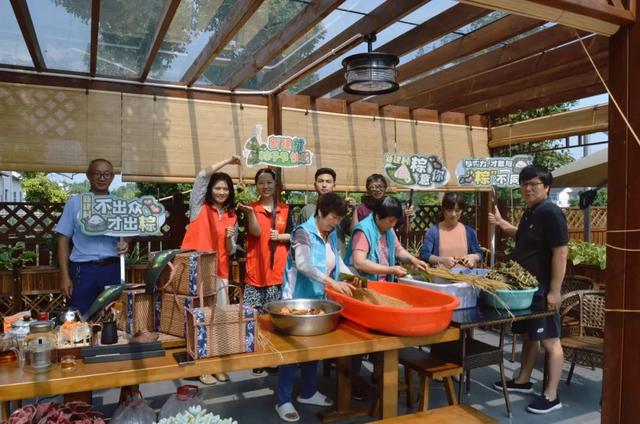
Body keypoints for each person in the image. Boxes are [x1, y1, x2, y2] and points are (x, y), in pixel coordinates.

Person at [490, 165, 568, 414]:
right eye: (524, 184)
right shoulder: (531, 212)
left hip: (543, 289)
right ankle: (523, 380)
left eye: (533, 184)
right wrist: (503, 224)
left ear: (546, 187)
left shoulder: (551, 212)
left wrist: (554, 291)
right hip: (526, 289)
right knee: (529, 336)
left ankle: (552, 395)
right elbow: (523, 237)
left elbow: (560, 252)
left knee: (550, 341)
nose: (527, 188)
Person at [275, 193, 355, 422]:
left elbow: (337, 263)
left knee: (314, 350)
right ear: (319, 212)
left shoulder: (328, 235)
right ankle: (283, 400)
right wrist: (332, 283)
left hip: (318, 301)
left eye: (339, 219)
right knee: (292, 352)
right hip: (296, 302)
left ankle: (308, 392)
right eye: (333, 217)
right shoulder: (302, 232)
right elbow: (304, 265)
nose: (336, 222)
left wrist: (357, 280)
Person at [181, 155, 241, 384]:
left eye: (226, 189)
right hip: (197, 272)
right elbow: (201, 175)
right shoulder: (198, 207)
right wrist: (228, 160)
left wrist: (228, 239)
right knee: (199, 318)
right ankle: (201, 366)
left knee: (219, 318)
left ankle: (216, 364)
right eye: (217, 187)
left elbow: (232, 249)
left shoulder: (232, 217)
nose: (221, 192)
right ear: (210, 190)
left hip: (221, 272)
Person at [237, 168, 293, 376]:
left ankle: (275, 356)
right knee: (255, 316)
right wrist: (251, 214)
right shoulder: (250, 208)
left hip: (278, 271)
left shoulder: (286, 210)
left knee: (275, 316)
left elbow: (295, 236)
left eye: (269, 182)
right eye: (261, 183)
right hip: (255, 271)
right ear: (256, 185)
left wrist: (282, 236)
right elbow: (255, 232)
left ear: (275, 184)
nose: (266, 186)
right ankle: (258, 355)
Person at [56, 158, 129, 315]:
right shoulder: (75, 203)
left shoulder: (120, 204)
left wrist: (127, 243)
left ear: (112, 177)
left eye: (106, 174)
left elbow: (127, 235)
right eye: (97, 174)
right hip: (83, 270)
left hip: (112, 268)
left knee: (114, 316)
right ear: (88, 175)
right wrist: (64, 276)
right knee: (81, 316)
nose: (102, 178)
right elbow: (63, 239)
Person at [345, 196, 428, 281]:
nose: (393, 224)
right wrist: (390, 270)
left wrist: (413, 260)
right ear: (377, 216)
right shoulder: (363, 230)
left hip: (381, 282)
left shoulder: (388, 229)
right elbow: (359, 263)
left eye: (396, 221)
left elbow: (398, 250)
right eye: (391, 220)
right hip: (362, 283)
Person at [419, 192, 483, 268]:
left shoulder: (469, 232)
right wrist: (442, 260)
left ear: (462, 211)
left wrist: (473, 257)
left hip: (465, 277)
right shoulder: (433, 232)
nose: (453, 214)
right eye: (449, 210)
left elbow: (479, 254)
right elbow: (424, 254)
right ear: (443, 210)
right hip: (440, 277)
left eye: (457, 210)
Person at [349, 174, 414, 234]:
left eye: (380, 187)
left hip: (387, 244)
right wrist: (355, 209)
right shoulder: (361, 208)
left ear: (385, 188)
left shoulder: (392, 206)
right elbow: (353, 232)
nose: (377, 190)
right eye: (373, 187)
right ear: (367, 189)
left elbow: (405, 231)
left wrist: (407, 218)